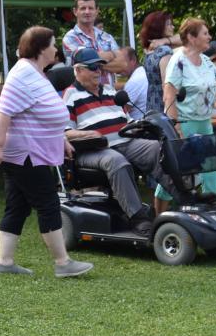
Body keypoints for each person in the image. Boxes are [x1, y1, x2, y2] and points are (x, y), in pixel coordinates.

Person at [0, 26, 93, 278]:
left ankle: (5, 262)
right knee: (48, 203)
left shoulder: (36, 73)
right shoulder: (22, 74)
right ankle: (62, 262)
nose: (56, 49)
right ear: (40, 48)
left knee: (17, 206)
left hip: (29, 152)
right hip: (26, 154)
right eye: (53, 44)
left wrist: (61, 139)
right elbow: (3, 113)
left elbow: (40, 113)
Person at [63, 48, 179, 233]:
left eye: (100, 67)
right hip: (93, 150)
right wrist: (89, 135)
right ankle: (138, 218)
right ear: (78, 70)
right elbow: (64, 132)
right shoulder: (70, 95)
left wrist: (142, 126)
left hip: (124, 142)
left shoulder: (110, 91)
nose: (98, 71)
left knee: (159, 148)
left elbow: (128, 120)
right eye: (92, 67)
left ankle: (184, 198)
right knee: (116, 161)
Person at [160, 17, 216, 196]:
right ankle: (159, 209)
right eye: (205, 33)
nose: (210, 37)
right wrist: (176, 128)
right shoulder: (178, 61)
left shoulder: (206, 61)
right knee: (177, 175)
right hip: (184, 124)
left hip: (205, 123)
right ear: (191, 38)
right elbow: (169, 96)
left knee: (210, 173)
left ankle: (213, 210)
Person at [61, 0, 126, 83]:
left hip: (109, 91)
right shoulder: (70, 38)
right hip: (84, 91)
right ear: (75, 11)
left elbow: (123, 64)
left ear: (97, 11)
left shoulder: (106, 37)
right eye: (83, 8)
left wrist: (93, 61)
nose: (87, 12)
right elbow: (84, 65)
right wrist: (112, 54)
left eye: (91, 8)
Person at [123, 10, 174, 118]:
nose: (172, 27)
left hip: (152, 104)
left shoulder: (149, 51)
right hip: (164, 107)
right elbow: (167, 86)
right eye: (169, 24)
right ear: (159, 27)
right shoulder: (165, 52)